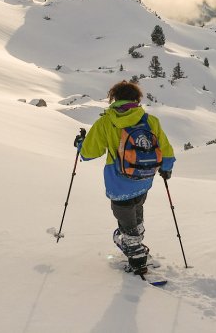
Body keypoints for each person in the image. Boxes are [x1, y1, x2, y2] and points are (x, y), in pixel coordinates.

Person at [74, 80, 175, 273]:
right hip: (144, 178)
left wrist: (80, 144)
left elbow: (89, 153)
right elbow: (166, 148)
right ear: (136, 99)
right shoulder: (149, 120)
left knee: (124, 215)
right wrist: (167, 168)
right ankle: (137, 237)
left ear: (115, 98)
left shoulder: (106, 121)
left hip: (119, 182)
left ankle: (137, 258)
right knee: (137, 208)